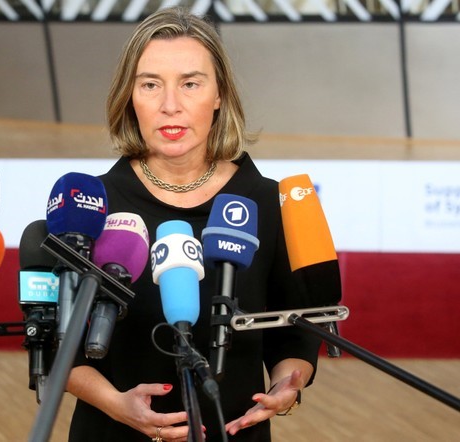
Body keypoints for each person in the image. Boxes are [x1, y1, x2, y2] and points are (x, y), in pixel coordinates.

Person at [66, 7, 321, 441]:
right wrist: (117, 405)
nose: (170, 105)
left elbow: (292, 338)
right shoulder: (88, 204)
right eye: (150, 84)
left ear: (219, 95)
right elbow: (57, 345)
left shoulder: (264, 199)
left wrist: (287, 386)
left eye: (190, 83)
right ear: (130, 96)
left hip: (233, 430)